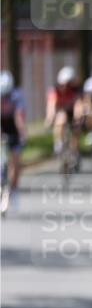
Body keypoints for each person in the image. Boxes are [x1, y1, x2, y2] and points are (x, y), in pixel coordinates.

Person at [45, 65, 82, 170]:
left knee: (75, 130)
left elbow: (78, 105)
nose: (65, 87)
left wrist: (78, 119)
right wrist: (49, 119)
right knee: (61, 117)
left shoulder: (76, 90)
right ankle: (58, 143)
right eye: (63, 84)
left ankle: (75, 152)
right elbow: (51, 105)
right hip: (61, 111)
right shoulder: (54, 90)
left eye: (68, 84)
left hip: (73, 111)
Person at [1, 70, 27, 213]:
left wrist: (23, 134)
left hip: (13, 127)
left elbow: (19, 118)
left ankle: (14, 189)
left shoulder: (17, 96)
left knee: (15, 161)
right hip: (2, 124)